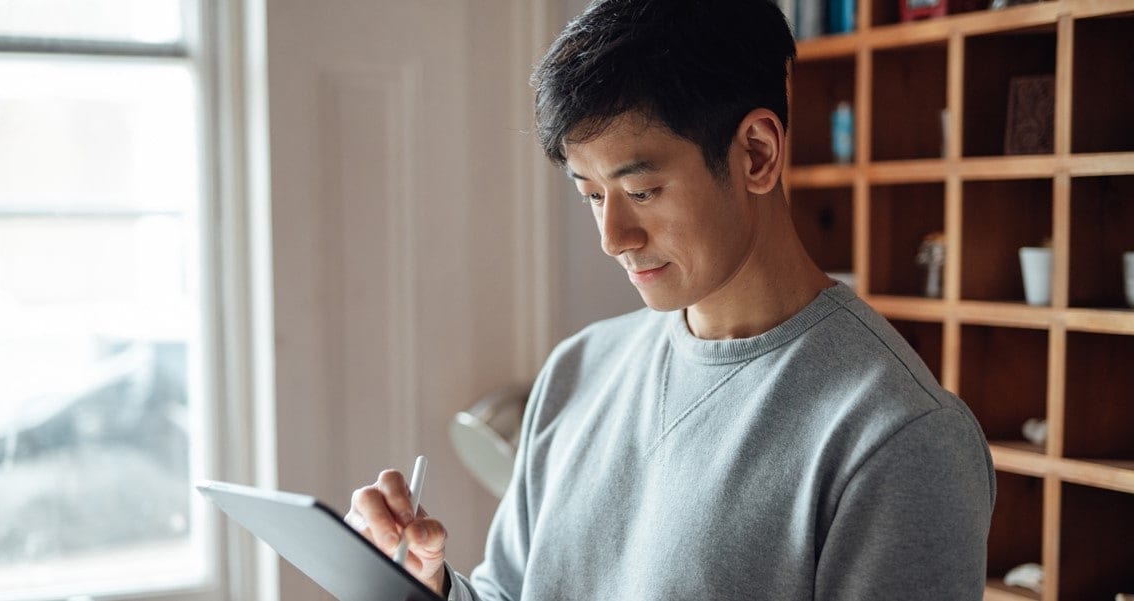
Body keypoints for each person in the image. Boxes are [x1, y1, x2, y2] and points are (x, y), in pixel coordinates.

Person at [347, 0, 996, 598]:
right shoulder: (578, 369)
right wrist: (428, 585)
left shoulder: (900, 437)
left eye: (641, 192)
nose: (613, 238)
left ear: (757, 153)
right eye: (591, 195)